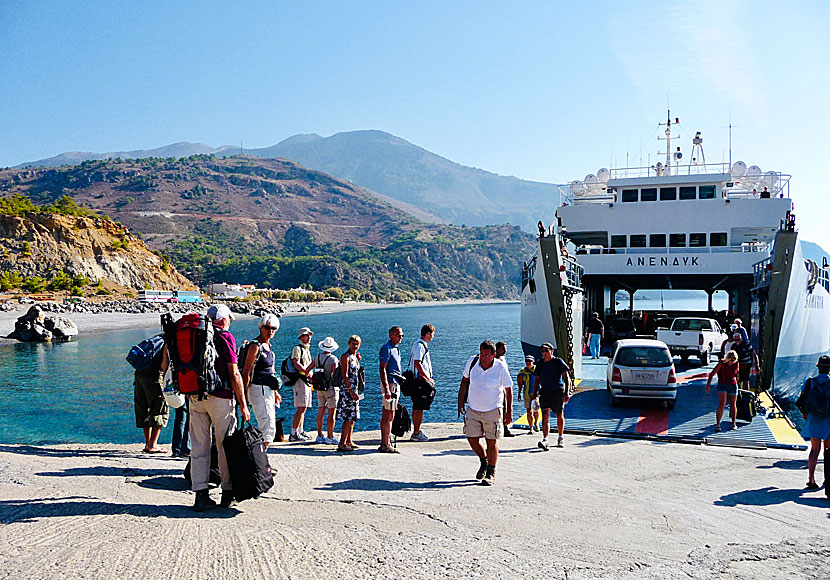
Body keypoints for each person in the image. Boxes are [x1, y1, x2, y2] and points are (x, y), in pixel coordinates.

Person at [190, 304, 250, 511]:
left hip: (195, 396)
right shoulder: (225, 337)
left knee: (199, 447)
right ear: (224, 320)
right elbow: (234, 373)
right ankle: (227, 493)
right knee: (225, 446)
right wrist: (243, 404)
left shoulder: (195, 335)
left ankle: (200, 495)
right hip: (221, 398)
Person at [457, 340, 513, 486]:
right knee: (471, 438)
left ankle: (491, 472)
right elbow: (464, 381)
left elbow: (508, 389)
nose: (483, 357)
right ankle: (484, 460)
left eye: (487, 355)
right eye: (482, 353)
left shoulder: (500, 367)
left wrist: (509, 412)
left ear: (494, 355)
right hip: (474, 408)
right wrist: (460, 401)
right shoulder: (472, 362)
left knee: (491, 441)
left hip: (493, 410)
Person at [240, 313, 282, 450]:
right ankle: (260, 461)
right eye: (267, 328)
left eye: (273, 329)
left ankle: (260, 460)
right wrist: (244, 397)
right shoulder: (255, 346)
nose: (270, 331)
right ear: (261, 328)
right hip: (259, 389)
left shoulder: (268, 348)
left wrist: (275, 392)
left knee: (268, 425)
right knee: (268, 426)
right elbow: (246, 372)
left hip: (268, 390)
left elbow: (271, 371)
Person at [796, 356, 830, 495]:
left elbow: (802, 399)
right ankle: (828, 480)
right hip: (828, 419)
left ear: (818, 367)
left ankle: (811, 479)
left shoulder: (809, 382)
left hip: (813, 418)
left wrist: (805, 414)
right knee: (828, 451)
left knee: (814, 450)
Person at [533, 343, 571, 450]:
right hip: (545, 392)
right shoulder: (540, 363)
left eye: (546, 350)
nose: (544, 353)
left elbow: (566, 377)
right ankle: (545, 439)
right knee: (545, 414)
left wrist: (567, 392)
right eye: (542, 351)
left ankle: (560, 437)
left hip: (557, 392)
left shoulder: (558, 362)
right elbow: (537, 379)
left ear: (552, 351)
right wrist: (534, 394)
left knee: (559, 414)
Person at [134, 342, 169, 453]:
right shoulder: (167, 343)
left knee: (143, 408)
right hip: (154, 377)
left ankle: (148, 443)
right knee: (160, 408)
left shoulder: (155, 341)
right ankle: (153, 445)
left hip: (140, 376)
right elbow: (164, 366)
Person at [378, 326, 404, 453]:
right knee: (389, 414)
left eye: (402, 336)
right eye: (399, 335)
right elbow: (382, 368)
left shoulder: (395, 349)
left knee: (389, 413)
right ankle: (385, 443)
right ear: (391, 335)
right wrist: (387, 388)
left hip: (395, 382)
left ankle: (384, 442)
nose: (401, 338)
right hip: (391, 383)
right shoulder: (387, 349)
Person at [407, 324, 435, 442]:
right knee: (419, 407)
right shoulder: (420, 346)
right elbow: (418, 363)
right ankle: (416, 432)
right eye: (433, 334)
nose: (433, 337)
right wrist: (427, 378)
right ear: (428, 333)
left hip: (419, 380)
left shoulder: (420, 345)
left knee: (418, 407)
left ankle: (417, 431)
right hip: (419, 381)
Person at [289, 327, 315, 442]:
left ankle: (300, 430)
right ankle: (294, 432)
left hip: (306, 380)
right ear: (301, 337)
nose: (309, 337)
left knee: (303, 407)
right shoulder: (298, 348)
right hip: (301, 380)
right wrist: (306, 373)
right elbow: (296, 363)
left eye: (309, 335)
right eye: (306, 335)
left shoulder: (306, 349)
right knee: (301, 407)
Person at [337, 335, 363, 452]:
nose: (355, 346)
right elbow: (345, 375)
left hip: (354, 390)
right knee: (348, 417)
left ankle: (349, 440)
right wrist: (350, 391)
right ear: (349, 344)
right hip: (348, 390)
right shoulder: (345, 357)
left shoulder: (355, 357)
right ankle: (342, 443)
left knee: (352, 417)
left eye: (357, 344)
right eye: (353, 344)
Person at [313, 336, 340, 445]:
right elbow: (335, 375)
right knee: (331, 413)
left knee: (320, 412)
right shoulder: (333, 359)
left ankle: (319, 435)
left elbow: (307, 370)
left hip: (319, 388)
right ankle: (330, 436)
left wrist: (312, 380)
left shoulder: (317, 357)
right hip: (330, 388)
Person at [706, 350, 740, 431]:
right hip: (723, 383)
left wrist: (738, 384)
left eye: (733, 360)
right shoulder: (722, 363)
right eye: (730, 360)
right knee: (722, 404)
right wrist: (708, 385)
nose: (732, 362)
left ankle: (733, 423)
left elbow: (737, 374)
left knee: (733, 404)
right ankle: (718, 424)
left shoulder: (736, 363)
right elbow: (712, 374)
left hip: (732, 383)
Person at [495, 341, 514, 437]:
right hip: (495, 389)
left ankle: (505, 428)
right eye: (503, 349)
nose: (505, 351)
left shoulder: (503, 360)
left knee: (504, 409)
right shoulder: (493, 361)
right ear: (497, 349)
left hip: (503, 388)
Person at [517, 355, 539, 432]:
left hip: (536, 393)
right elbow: (520, 384)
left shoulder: (537, 370)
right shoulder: (522, 372)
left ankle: (536, 423)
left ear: (533, 362)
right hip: (526, 393)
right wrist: (519, 394)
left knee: (535, 410)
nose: (528, 363)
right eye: (527, 361)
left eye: (530, 361)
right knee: (528, 410)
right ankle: (531, 428)